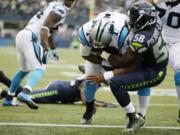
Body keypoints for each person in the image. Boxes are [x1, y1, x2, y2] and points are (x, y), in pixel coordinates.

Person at [85, 1, 168, 133]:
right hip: (148, 63)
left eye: (134, 19)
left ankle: (134, 117)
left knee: (116, 83)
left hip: (153, 71)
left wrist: (102, 54)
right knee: (114, 73)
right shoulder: (155, 19)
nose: (130, 21)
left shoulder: (141, 39)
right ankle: (104, 75)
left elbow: (123, 63)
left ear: (145, 21)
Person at [3, 0, 77, 110]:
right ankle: (25, 92)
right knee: (40, 68)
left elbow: (49, 32)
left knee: (23, 70)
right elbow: (45, 28)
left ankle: (8, 99)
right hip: (31, 37)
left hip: (23, 34)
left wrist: (53, 49)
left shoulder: (54, 5)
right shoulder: (60, 10)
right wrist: (45, 48)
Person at [150, 0, 180, 123]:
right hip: (153, 41)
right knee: (138, 65)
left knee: (179, 68)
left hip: (176, 42)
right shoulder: (153, 3)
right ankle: (137, 114)